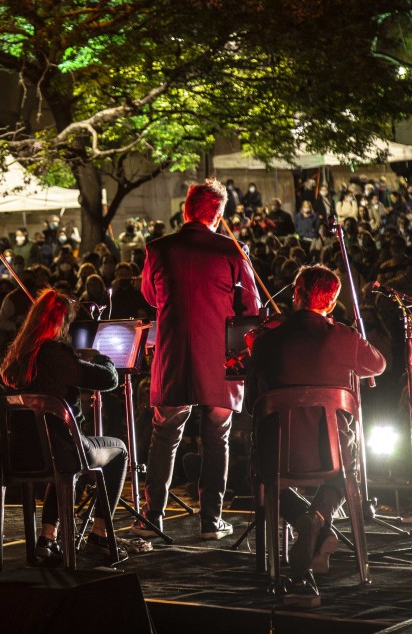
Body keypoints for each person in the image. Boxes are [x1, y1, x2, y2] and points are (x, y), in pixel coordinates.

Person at [136, 178, 261, 540]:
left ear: (186, 209)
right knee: (217, 437)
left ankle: (152, 517)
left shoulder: (157, 248)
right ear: (218, 214)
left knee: (165, 435)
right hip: (222, 355)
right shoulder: (230, 249)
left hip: (174, 354)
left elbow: (150, 296)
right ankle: (211, 520)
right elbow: (251, 307)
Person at [250, 265, 386, 588]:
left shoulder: (268, 341)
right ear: (330, 303)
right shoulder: (342, 337)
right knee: (347, 469)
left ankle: (302, 519)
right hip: (331, 453)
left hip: (280, 455)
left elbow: (253, 397)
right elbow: (379, 364)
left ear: (296, 293)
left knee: (263, 475)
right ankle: (317, 519)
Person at [0, 288, 152, 560]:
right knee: (118, 451)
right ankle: (100, 535)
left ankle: (47, 538)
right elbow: (108, 380)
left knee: (59, 450)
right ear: (58, 323)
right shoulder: (54, 355)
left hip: (21, 453)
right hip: (61, 450)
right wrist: (100, 357)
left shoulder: (18, 355)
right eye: (66, 322)